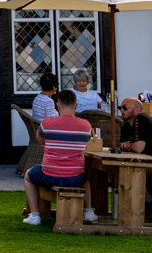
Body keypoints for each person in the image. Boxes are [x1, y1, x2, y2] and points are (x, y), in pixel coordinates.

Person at [22, 90, 97, 226]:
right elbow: (86, 142)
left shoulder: (47, 123)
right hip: (75, 177)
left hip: (49, 174)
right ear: (76, 106)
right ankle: (88, 211)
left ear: (58, 106)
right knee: (86, 177)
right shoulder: (86, 126)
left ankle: (35, 215)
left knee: (28, 175)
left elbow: (40, 139)